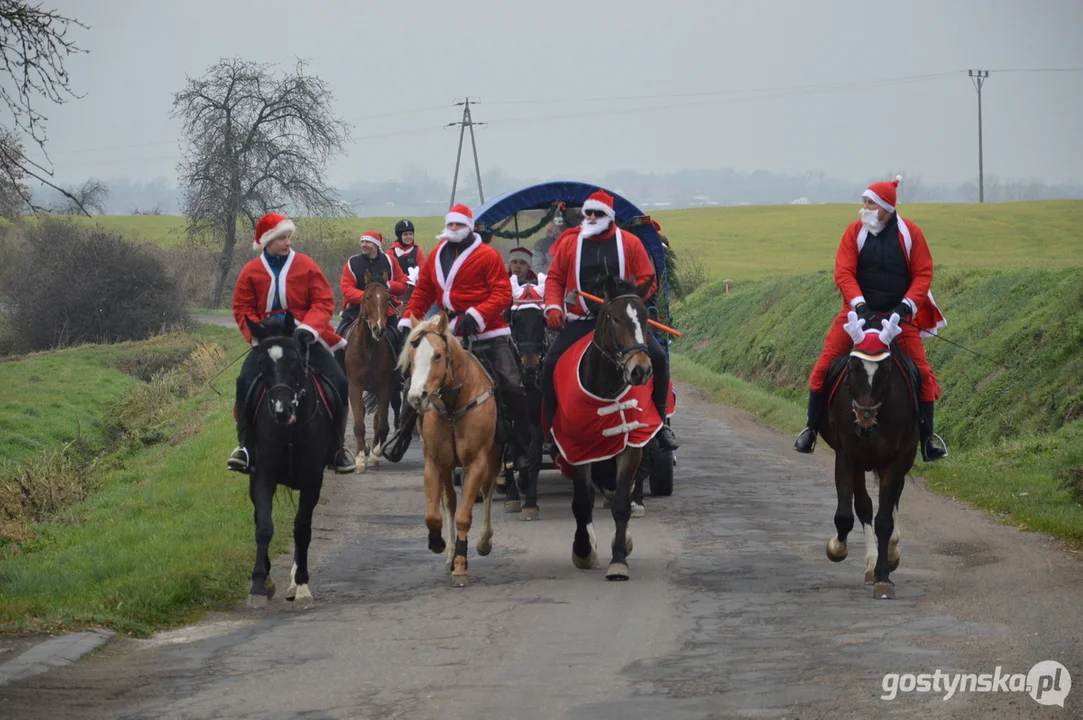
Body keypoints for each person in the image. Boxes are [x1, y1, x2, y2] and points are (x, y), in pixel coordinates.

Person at [794, 176, 948, 462]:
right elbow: (843, 272)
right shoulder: (854, 233)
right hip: (856, 316)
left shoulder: (910, 233)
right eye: (864, 202)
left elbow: (923, 273)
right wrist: (860, 305)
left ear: (885, 208)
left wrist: (903, 308)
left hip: (898, 320)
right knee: (822, 367)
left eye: (869, 203)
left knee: (923, 375)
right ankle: (811, 429)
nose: (863, 208)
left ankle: (928, 440)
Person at [383, 204, 532, 469]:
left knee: (512, 384)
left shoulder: (487, 255)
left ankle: (521, 445)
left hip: (487, 330)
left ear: (469, 227)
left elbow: (501, 293)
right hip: (447, 328)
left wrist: (476, 315)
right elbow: (424, 291)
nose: (453, 229)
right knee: (416, 377)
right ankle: (402, 434)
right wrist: (410, 318)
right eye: (450, 225)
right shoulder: (437, 255)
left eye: (458, 225)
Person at [541, 189, 679, 451]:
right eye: (588, 213)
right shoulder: (570, 244)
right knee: (550, 365)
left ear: (610, 216)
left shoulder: (629, 242)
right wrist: (553, 308)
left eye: (598, 213)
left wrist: (626, 301)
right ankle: (552, 429)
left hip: (621, 320)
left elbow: (646, 279)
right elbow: (555, 279)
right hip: (582, 317)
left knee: (659, 358)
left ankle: (661, 425)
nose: (592, 217)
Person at [227, 212, 356, 474]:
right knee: (244, 383)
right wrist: (259, 332)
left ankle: (337, 447)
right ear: (267, 242)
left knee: (339, 381)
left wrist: (310, 327)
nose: (288, 243)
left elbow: (323, 301)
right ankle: (245, 447)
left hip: (303, 335)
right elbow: (242, 307)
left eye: (289, 237)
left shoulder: (306, 265)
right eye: (282, 238)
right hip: (267, 340)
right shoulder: (250, 271)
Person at [336, 230, 409, 338]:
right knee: (339, 337)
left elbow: (403, 285)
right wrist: (369, 298)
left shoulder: (390, 261)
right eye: (362, 242)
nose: (364, 245)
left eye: (367, 242)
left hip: (384, 310)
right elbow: (346, 289)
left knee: (401, 339)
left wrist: (389, 285)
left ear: (376, 245)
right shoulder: (352, 263)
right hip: (356, 309)